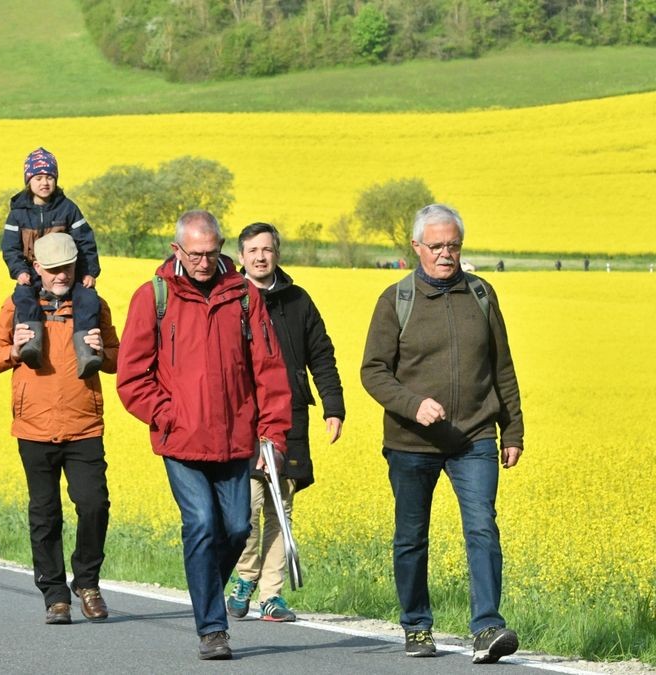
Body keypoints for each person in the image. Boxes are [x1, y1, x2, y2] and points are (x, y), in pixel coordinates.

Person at [116, 210, 292, 660]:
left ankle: (204, 588)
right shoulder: (152, 297)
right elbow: (132, 376)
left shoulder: (245, 298)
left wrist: (271, 434)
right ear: (177, 250)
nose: (203, 262)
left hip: (235, 438)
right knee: (200, 524)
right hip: (180, 440)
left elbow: (269, 371)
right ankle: (213, 629)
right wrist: (168, 414)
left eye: (212, 253)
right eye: (195, 254)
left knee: (236, 527)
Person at [360, 204, 524, 664]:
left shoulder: (481, 294)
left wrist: (513, 430)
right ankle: (416, 626)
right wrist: (413, 405)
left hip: (474, 437)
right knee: (412, 536)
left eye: (453, 245)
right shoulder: (396, 300)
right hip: (411, 444)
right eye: (437, 246)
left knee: (482, 529)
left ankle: (487, 626)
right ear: (417, 248)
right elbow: (373, 371)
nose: (446, 254)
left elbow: (502, 367)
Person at [0, 233, 119, 625]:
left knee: (94, 504)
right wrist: (13, 350)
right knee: (45, 514)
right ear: (37, 268)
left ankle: (88, 582)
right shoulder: (16, 306)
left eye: (68, 267)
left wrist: (102, 350)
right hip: (34, 425)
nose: (61, 275)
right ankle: (55, 595)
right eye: (53, 268)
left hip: (84, 424)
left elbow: (118, 358)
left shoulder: (95, 306)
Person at [226, 223, 345, 623]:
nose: (260, 256)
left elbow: (322, 354)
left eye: (267, 249)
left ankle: (271, 595)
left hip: (290, 413)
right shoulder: (230, 299)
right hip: (243, 416)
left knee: (282, 506)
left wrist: (333, 405)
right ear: (241, 256)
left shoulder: (297, 300)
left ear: (277, 253)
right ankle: (245, 577)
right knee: (248, 506)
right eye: (252, 250)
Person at [2, 147, 103, 378]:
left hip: (68, 274)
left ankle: (87, 351)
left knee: (87, 299)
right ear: (29, 181)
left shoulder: (69, 209)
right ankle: (31, 345)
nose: (44, 183)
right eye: (38, 178)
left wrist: (89, 272)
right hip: (31, 273)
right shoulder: (17, 213)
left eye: (49, 177)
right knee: (24, 299)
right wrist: (19, 272)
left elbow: (86, 242)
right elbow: (10, 247)